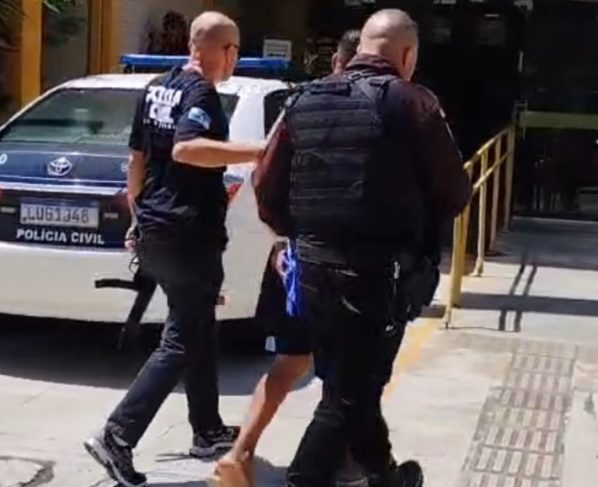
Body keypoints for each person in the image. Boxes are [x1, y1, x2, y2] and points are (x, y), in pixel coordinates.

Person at [256, 9, 471, 487]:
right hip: (376, 274)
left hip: (312, 269)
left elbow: (266, 186)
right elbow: (455, 191)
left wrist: (305, 233)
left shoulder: (303, 99)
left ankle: (384, 473)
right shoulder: (414, 103)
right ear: (407, 55)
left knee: (351, 381)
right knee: (348, 396)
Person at [84, 12, 265, 487]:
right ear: (224, 51)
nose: (235, 59)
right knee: (182, 338)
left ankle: (207, 429)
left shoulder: (156, 88)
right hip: (188, 233)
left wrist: (138, 217)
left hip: (157, 228)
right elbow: (187, 149)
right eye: (235, 51)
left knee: (198, 324)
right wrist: (259, 151)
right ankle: (117, 435)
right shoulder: (201, 93)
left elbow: (136, 159)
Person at [210, 30, 362, 487]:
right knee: (349, 370)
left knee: (289, 363)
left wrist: (281, 241)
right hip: (348, 262)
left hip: (298, 259)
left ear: (335, 61)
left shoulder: (300, 105)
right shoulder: (384, 112)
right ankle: (342, 463)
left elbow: (266, 177)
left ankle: (239, 453)